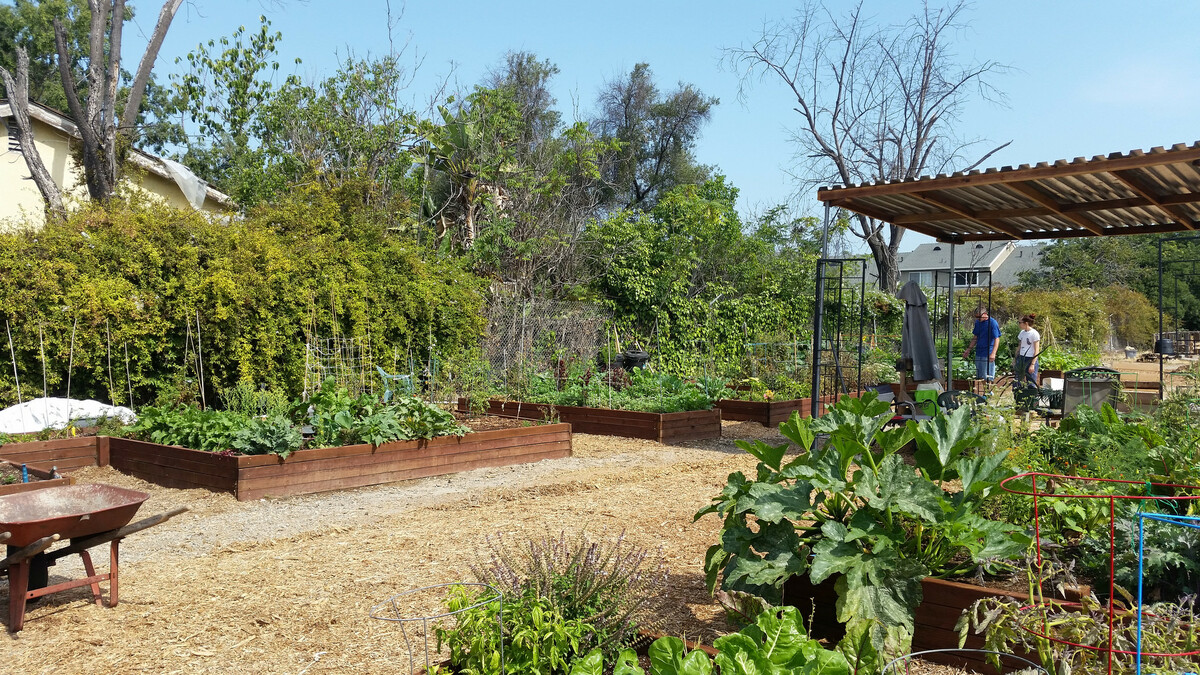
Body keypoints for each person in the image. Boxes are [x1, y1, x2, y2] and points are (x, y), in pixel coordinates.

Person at [963, 308, 1000, 382]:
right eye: (977, 317)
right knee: (979, 375)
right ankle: (981, 392)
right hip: (979, 352)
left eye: (979, 317)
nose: (978, 319)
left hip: (988, 352)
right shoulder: (978, 323)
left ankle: (988, 392)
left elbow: (997, 339)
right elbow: (975, 337)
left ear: (985, 314)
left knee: (988, 376)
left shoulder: (992, 323)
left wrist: (993, 353)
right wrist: (968, 349)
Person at [1016, 313, 1041, 386]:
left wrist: (1032, 364)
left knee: (1031, 381)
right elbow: (1020, 346)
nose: (1019, 324)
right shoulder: (1022, 333)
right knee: (1018, 380)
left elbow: (1036, 350)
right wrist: (1016, 358)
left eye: (1020, 323)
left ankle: (1031, 395)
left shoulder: (1034, 334)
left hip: (1030, 358)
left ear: (1026, 323)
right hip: (1021, 358)